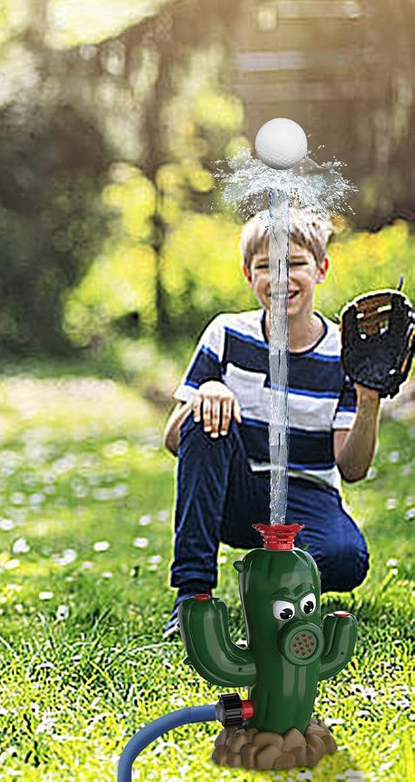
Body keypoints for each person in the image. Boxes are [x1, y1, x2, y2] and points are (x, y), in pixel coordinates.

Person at [160, 209, 380, 640]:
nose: (281, 279)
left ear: (321, 269)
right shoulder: (226, 334)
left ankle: (267, 582)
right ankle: (192, 597)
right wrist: (206, 394)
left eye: (295, 263)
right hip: (237, 494)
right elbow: (174, 440)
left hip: (306, 496)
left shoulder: (346, 355)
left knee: (344, 559)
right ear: (248, 274)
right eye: (266, 266)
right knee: (204, 420)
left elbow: (352, 469)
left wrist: (369, 401)